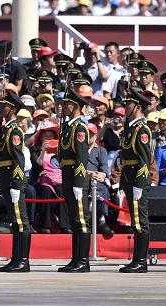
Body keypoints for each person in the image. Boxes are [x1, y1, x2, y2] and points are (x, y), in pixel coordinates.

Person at [0, 89, 31, 273]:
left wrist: (16, 184)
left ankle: (23, 260)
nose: (1, 108)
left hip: (12, 179)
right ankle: (16, 258)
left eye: (4, 106)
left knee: (21, 221)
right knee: (15, 221)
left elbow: (18, 160)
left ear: (12, 109)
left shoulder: (14, 130)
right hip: (5, 176)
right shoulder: (5, 129)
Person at [118, 88, 152, 273]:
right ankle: (137, 259)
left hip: (138, 179)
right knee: (135, 220)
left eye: (128, 104)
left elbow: (145, 160)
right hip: (129, 178)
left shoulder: (141, 130)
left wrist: (139, 183)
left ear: (137, 106)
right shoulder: (131, 128)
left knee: (140, 220)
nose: (125, 107)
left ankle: (141, 261)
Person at [56, 88, 91, 273]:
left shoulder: (79, 128)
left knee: (81, 220)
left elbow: (82, 158)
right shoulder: (69, 126)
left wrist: (79, 182)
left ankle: (83, 261)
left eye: (67, 104)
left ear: (75, 106)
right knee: (73, 219)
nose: (64, 107)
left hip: (76, 179)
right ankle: (76, 258)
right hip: (67, 175)